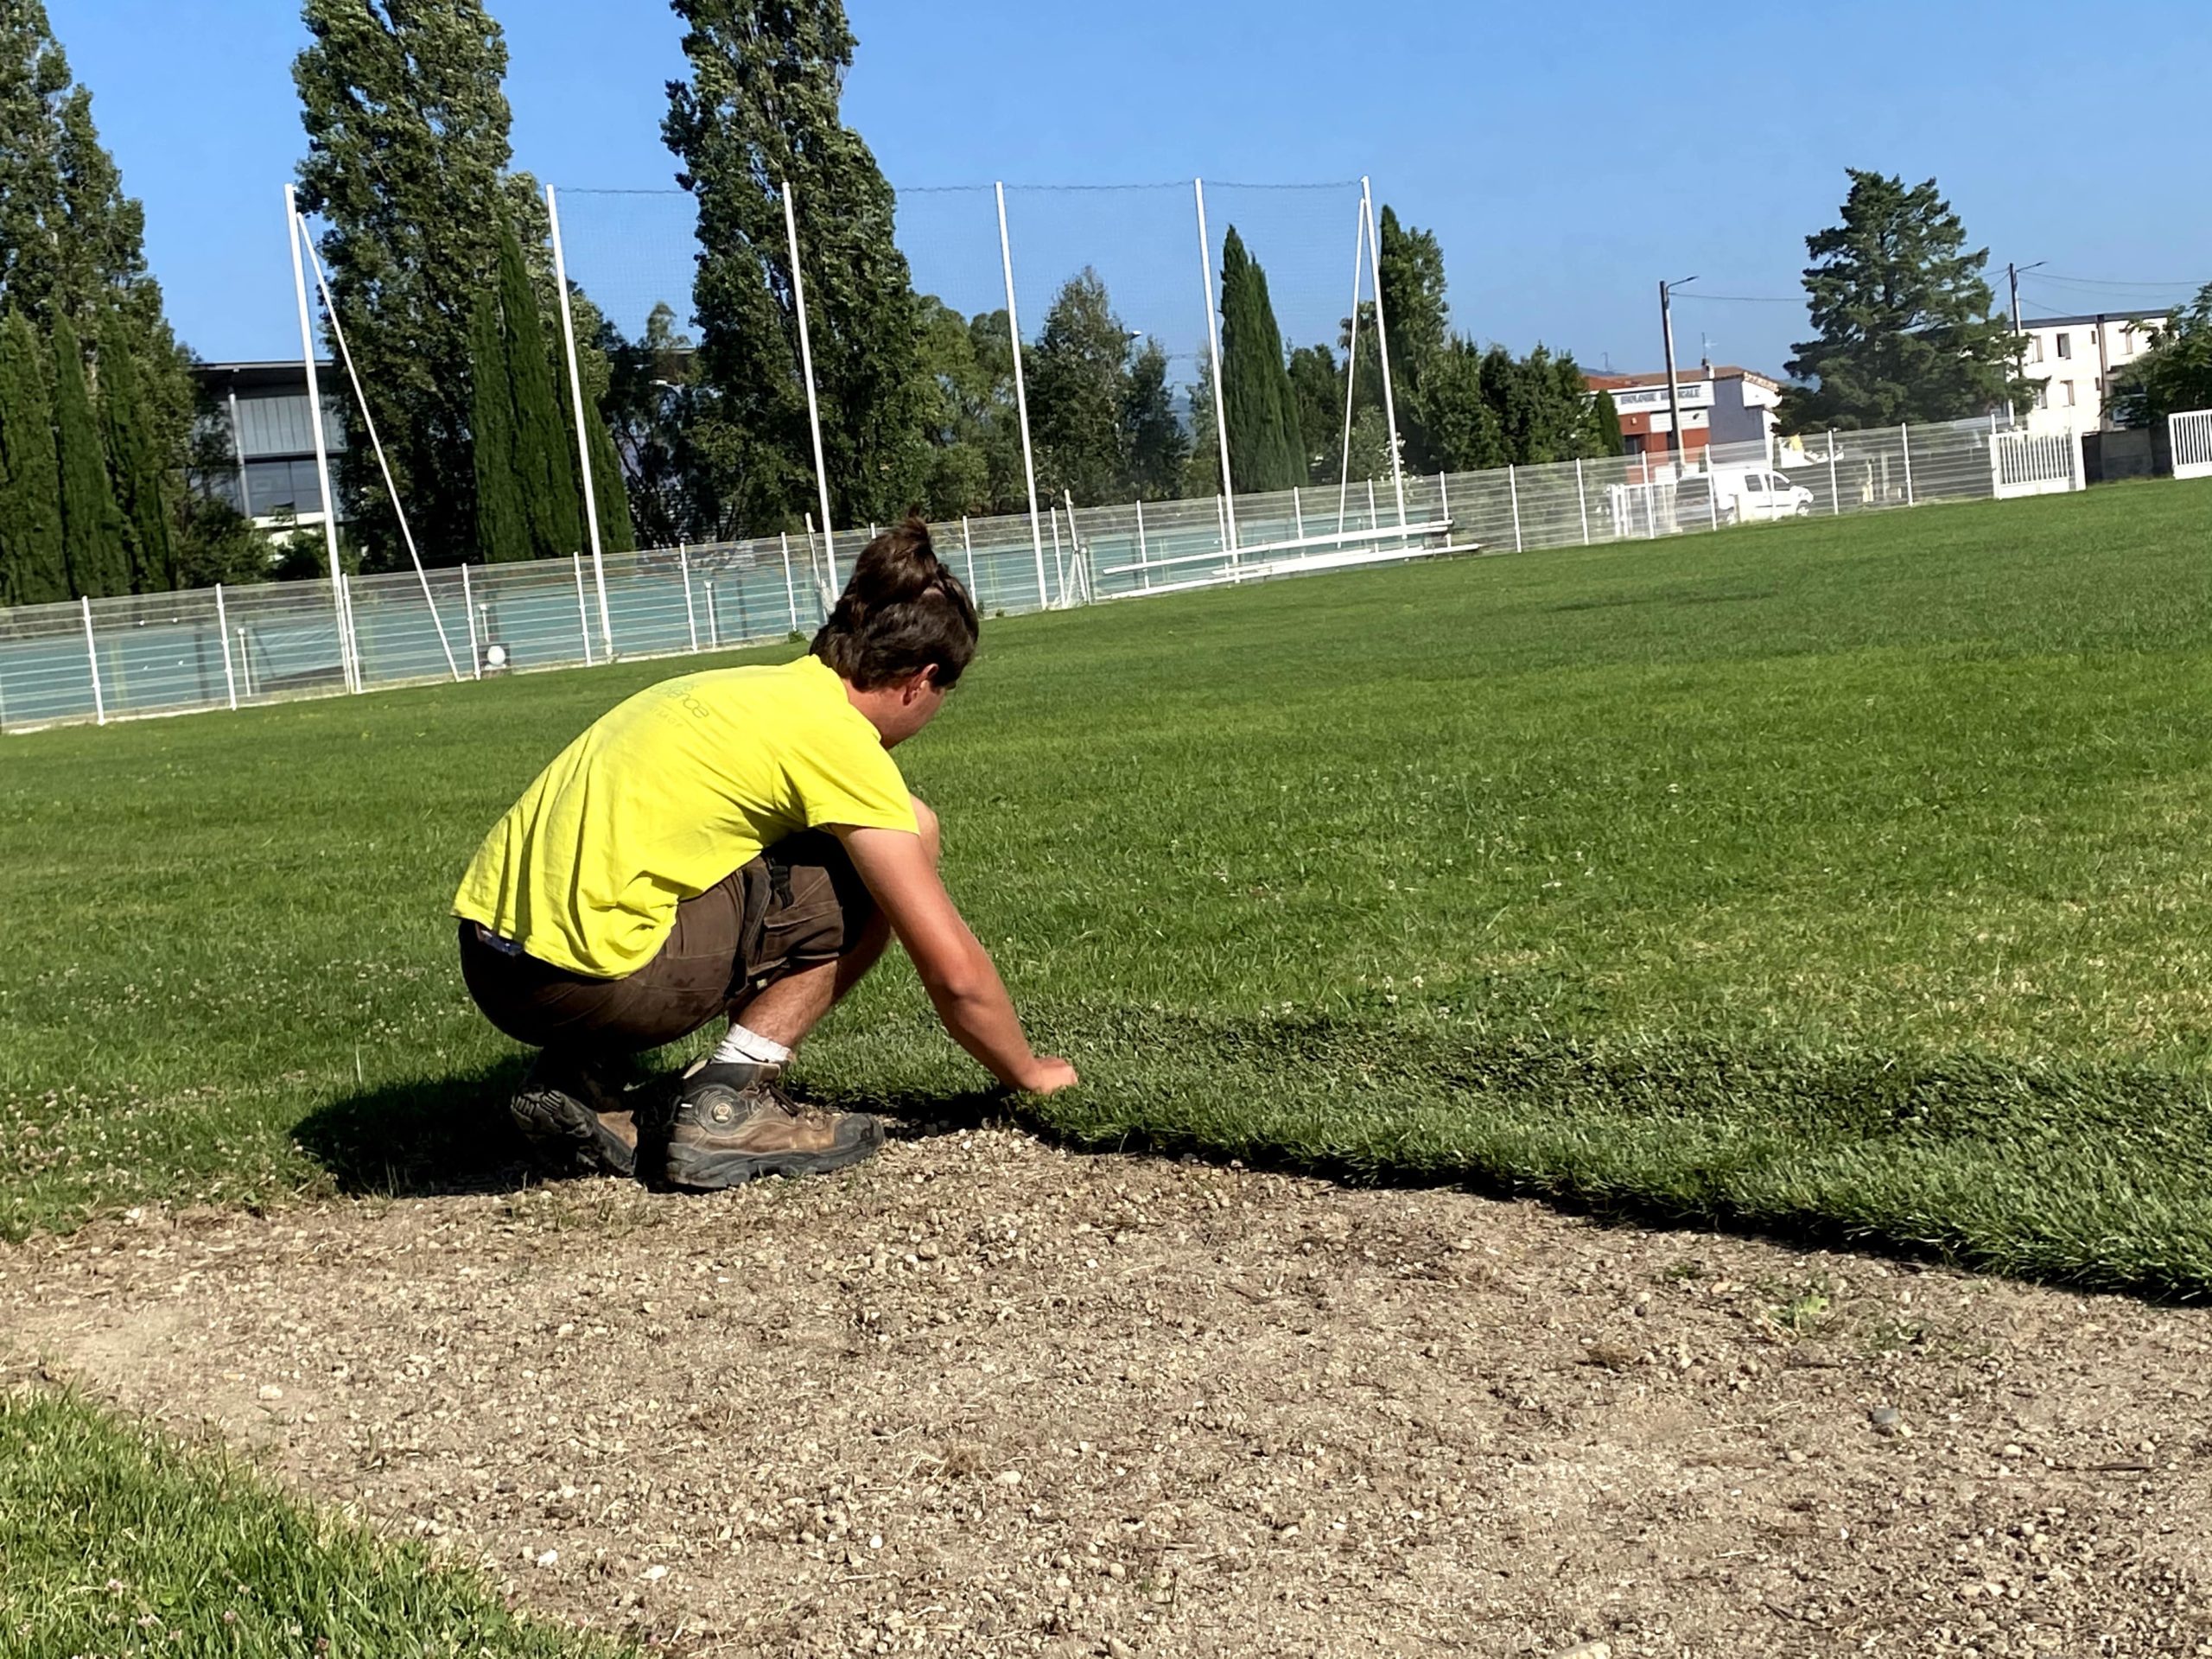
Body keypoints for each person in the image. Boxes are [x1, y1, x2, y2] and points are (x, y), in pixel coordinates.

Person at [450, 518, 1078, 1191]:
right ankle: (732, 1097)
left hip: (494, 967)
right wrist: (1029, 1071)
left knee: (747, 856)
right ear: (919, 682)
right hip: (583, 986)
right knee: (893, 854)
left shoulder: (749, 690)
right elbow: (953, 971)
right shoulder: (836, 739)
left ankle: (582, 1083)